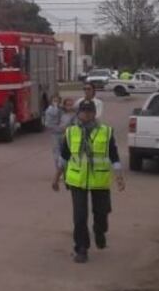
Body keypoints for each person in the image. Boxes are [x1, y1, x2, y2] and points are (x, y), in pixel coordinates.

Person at [52, 99, 126, 263]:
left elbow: (113, 155)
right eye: (83, 111)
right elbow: (64, 157)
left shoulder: (106, 132)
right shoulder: (71, 132)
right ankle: (81, 248)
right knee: (79, 217)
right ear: (78, 113)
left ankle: (99, 232)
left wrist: (119, 176)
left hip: (99, 180)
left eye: (89, 111)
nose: (86, 114)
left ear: (94, 113)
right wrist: (56, 178)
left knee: (101, 213)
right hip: (77, 180)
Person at [43, 95, 75, 169]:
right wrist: (55, 107)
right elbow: (48, 123)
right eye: (54, 101)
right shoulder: (53, 110)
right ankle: (59, 169)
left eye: (71, 105)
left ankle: (67, 168)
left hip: (67, 135)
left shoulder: (73, 114)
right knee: (57, 153)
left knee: (68, 152)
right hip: (56, 135)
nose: (69, 107)